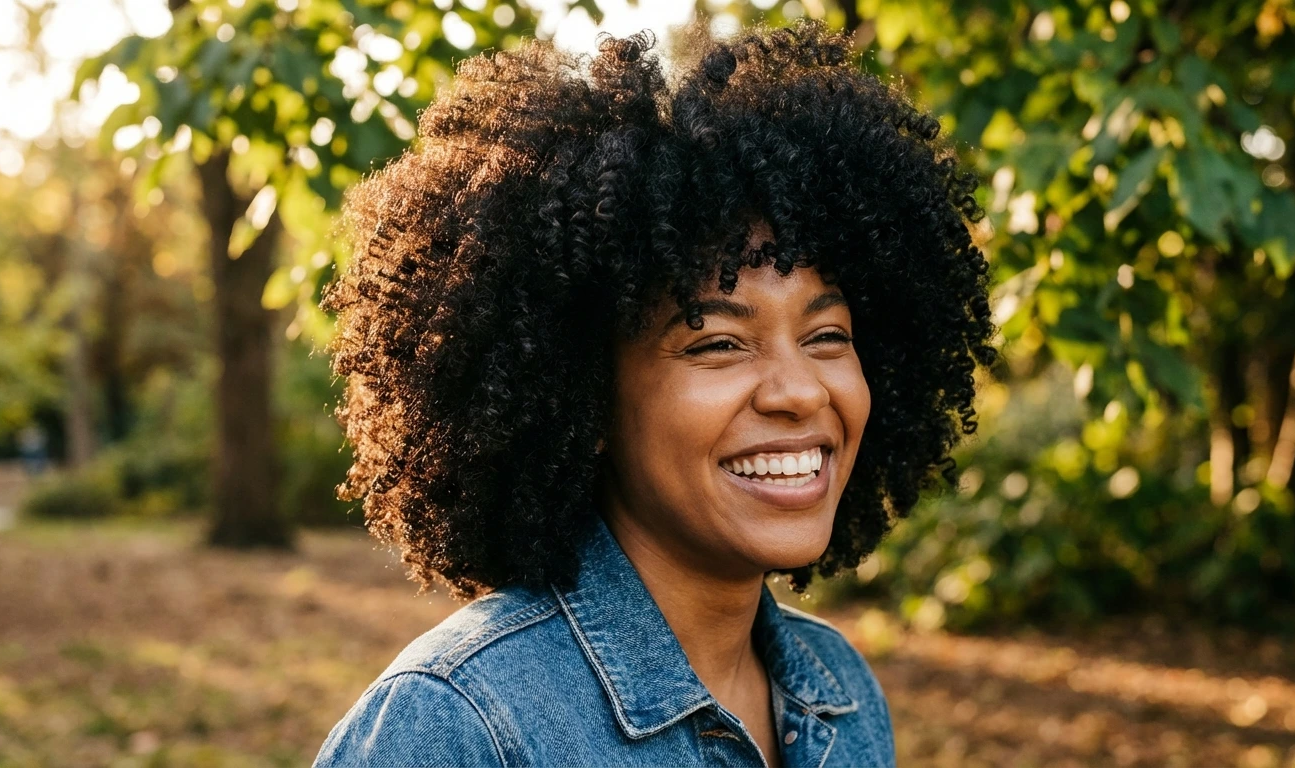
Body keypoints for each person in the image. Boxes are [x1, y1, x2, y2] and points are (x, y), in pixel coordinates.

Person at [313, 18, 995, 768]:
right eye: (718, 342)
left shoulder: (840, 695)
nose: (800, 391)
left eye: (827, 335)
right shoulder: (458, 726)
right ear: (583, 393)